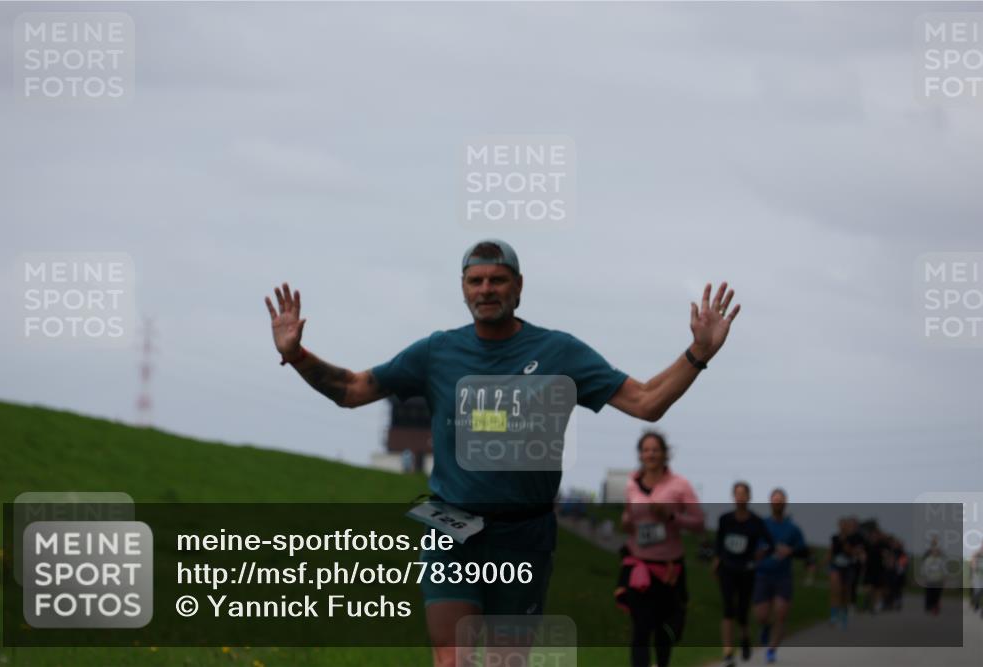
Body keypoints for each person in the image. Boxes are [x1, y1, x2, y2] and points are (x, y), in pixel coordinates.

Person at [265, 240, 740, 667]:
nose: (486, 289)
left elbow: (645, 401)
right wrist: (299, 355)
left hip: (524, 536)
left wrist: (698, 354)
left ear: (518, 287)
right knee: (453, 658)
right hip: (451, 526)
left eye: (497, 280)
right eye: (476, 280)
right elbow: (352, 389)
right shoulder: (438, 352)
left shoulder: (559, 353)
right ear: (464, 288)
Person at [614, 431, 704, 667]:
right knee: (641, 629)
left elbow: (699, 523)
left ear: (665, 454)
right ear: (640, 455)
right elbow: (629, 516)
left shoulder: (679, 485)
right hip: (639, 566)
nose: (650, 454)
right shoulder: (631, 485)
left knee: (665, 631)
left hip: (670, 570)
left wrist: (671, 517)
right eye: (646, 449)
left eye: (655, 449)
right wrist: (626, 523)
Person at [713, 481, 772, 667]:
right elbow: (719, 542)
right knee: (728, 608)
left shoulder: (756, 522)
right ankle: (728, 653)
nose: (740, 497)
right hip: (727, 568)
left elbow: (769, 544)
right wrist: (717, 560)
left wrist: (762, 553)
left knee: (742, 610)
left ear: (749, 497)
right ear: (733, 497)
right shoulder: (725, 519)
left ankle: (745, 638)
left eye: (743, 494)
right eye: (737, 494)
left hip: (747, 569)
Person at [753, 488, 810, 664]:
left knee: (781, 613)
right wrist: (757, 554)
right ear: (770, 502)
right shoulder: (761, 525)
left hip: (783, 576)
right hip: (762, 574)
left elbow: (804, 551)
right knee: (761, 616)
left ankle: (771, 650)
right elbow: (751, 547)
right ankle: (766, 627)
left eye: (780, 500)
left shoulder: (793, 529)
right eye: (774, 499)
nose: (777, 503)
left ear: (785, 503)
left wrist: (791, 550)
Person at [827, 517, 857, 629]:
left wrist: (847, 545)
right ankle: (833, 616)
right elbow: (831, 551)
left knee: (845, 593)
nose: (843, 527)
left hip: (847, 567)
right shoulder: (835, 537)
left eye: (845, 525)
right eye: (841, 525)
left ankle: (843, 616)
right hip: (835, 566)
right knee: (835, 590)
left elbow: (853, 552)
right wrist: (825, 562)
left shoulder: (852, 539)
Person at [921, 538, 946, 615]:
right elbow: (925, 567)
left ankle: (935, 606)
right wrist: (924, 576)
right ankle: (929, 606)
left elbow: (944, 569)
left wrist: (944, 578)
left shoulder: (940, 557)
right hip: (930, 579)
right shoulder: (928, 554)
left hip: (938, 580)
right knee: (929, 593)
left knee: (937, 594)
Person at [970, 545, 983, 616]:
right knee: (977, 592)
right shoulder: (977, 554)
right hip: (978, 577)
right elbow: (973, 565)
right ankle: (976, 604)